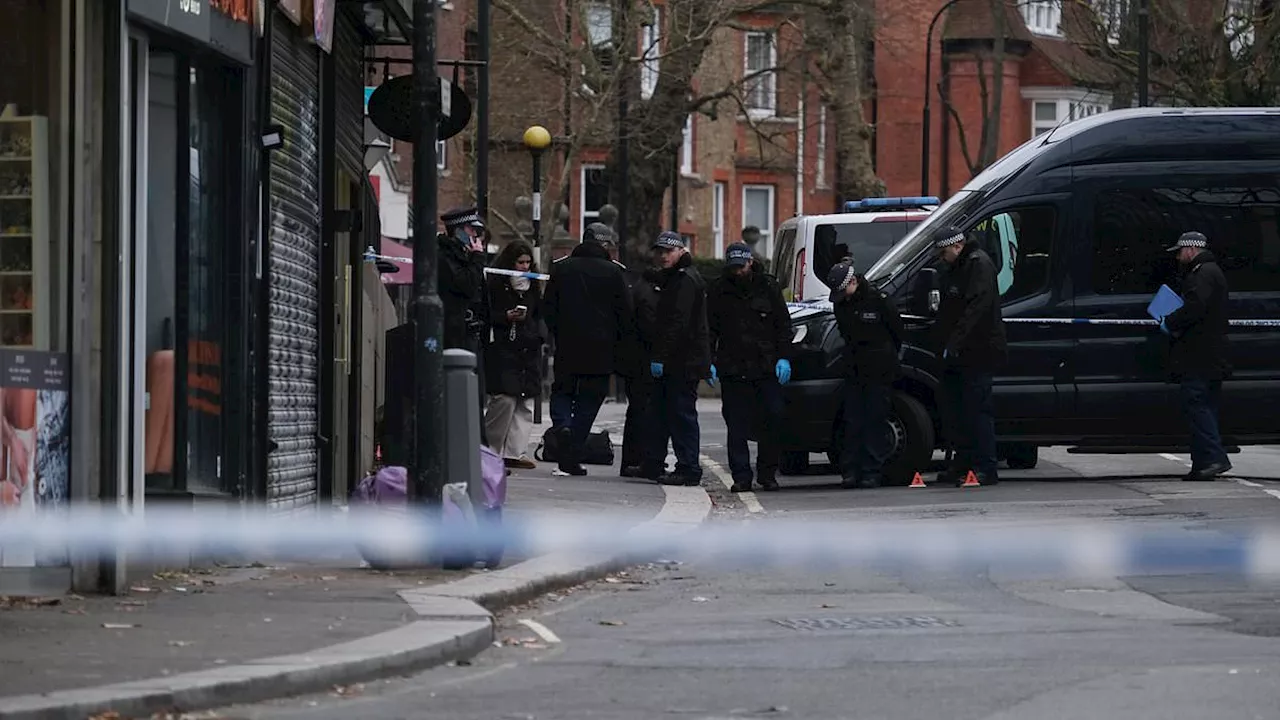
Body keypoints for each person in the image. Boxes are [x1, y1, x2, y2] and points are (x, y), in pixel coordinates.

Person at [543, 224, 634, 476]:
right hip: (601, 350)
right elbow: (625, 314)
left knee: (562, 391)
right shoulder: (614, 273)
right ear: (604, 245)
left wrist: (558, 333)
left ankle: (562, 425)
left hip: (568, 345)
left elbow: (548, 307)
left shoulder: (562, 268)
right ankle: (571, 451)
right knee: (590, 399)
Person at [706, 242, 791, 492]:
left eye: (741, 267)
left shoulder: (768, 287)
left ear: (750, 262)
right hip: (733, 367)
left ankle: (767, 472)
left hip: (765, 366)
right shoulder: (719, 290)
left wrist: (784, 357)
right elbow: (710, 329)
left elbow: (783, 326)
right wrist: (709, 360)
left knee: (773, 418)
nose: (737, 272)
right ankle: (741, 476)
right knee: (736, 425)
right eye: (733, 267)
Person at [932, 224, 1007, 486]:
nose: (941, 258)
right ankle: (962, 463)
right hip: (961, 349)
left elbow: (975, 309)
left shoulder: (978, 265)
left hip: (978, 349)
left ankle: (985, 467)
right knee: (958, 411)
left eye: (943, 252)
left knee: (977, 410)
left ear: (957, 246)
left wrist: (953, 342)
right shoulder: (956, 267)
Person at [1158, 231, 1232, 481]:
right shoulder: (1210, 271)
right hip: (1210, 353)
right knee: (1204, 407)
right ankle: (1203, 463)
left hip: (1199, 354)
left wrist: (1170, 321)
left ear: (1191, 249)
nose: (1178, 257)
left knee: (1197, 406)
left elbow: (1195, 306)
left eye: (1180, 252)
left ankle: (1212, 458)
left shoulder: (1202, 273)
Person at [828, 258, 904, 489]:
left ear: (854, 281)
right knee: (853, 422)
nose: (844, 297)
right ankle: (850, 470)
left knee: (875, 420)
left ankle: (871, 471)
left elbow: (896, 331)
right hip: (854, 368)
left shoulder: (878, 300)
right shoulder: (841, 303)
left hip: (879, 369)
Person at [643, 231, 711, 486]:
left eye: (668, 251)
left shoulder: (684, 281)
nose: (662, 256)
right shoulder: (678, 278)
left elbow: (677, 324)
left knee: (682, 416)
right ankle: (676, 464)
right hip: (681, 360)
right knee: (670, 414)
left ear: (681, 251)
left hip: (683, 362)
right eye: (659, 251)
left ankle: (689, 468)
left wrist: (660, 356)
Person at [483, 241, 544, 470]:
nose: (524, 267)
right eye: (520, 262)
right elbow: (487, 313)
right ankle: (490, 449)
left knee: (524, 402)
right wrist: (504, 317)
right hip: (503, 347)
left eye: (528, 263)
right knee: (504, 399)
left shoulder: (535, 285)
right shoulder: (496, 284)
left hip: (528, 348)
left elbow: (540, 313)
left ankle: (514, 452)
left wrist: (537, 334)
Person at [439, 206, 490, 415]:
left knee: (476, 393)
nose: (475, 236)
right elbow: (466, 285)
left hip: (470, 330)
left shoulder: (463, 255)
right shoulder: (445, 256)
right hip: (454, 332)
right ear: (458, 231)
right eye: (471, 231)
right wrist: (477, 258)